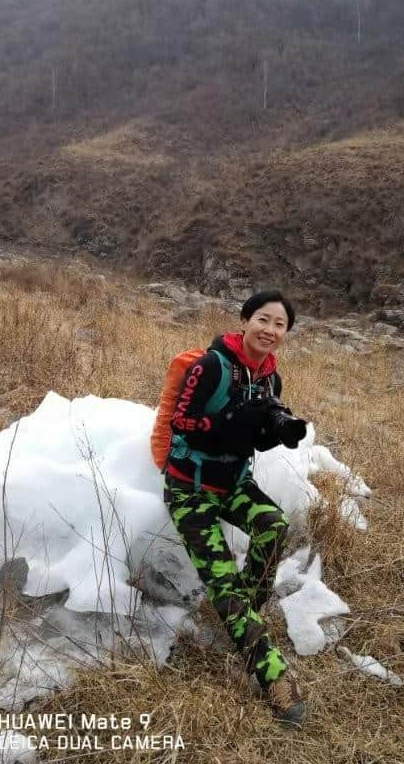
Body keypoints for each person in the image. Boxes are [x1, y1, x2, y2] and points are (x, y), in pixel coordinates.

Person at [163, 289, 308, 726]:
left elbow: (252, 438)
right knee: (222, 581)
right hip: (190, 488)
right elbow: (180, 420)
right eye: (263, 319)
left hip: (232, 484)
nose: (270, 330)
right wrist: (225, 421)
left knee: (273, 525)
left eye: (280, 324)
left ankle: (241, 613)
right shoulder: (210, 366)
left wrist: (267, 430)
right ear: (245, 320)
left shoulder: (270, 378)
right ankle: (273, 674)